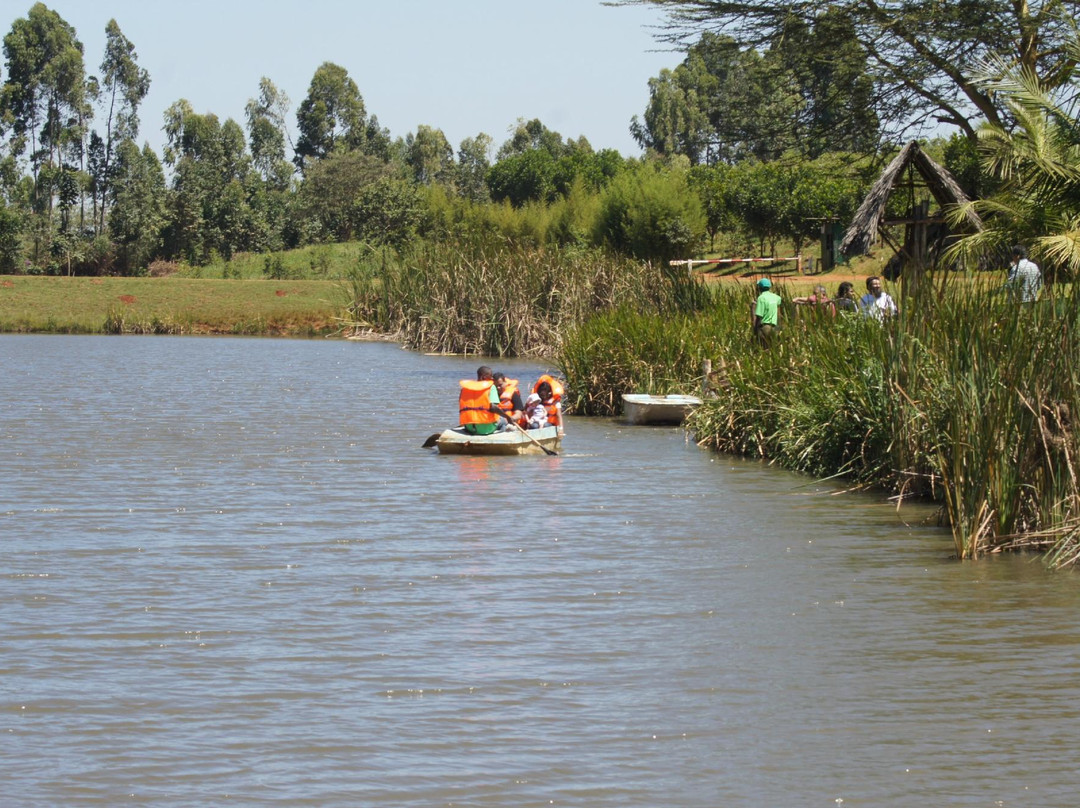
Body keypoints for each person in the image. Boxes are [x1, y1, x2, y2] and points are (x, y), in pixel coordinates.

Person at [458, 365, 508, 436]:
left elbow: (461, 404)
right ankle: (501, 434)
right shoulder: (491, 387)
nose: (492, 379)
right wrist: (508, 417)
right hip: (486, 429)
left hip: (469, 427)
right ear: (484, 377)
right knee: (503, 420)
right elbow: (493, 407)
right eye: (490, 376)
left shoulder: (465, 388)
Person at [752, 277, 781, 346]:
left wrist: (755, 330)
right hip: (775, 327)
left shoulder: (761, 298)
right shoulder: (776, 297)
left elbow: (759, 316)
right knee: (773, 347)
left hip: (765, 327)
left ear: (759, 288)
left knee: (763, 347)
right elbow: (778, 311)